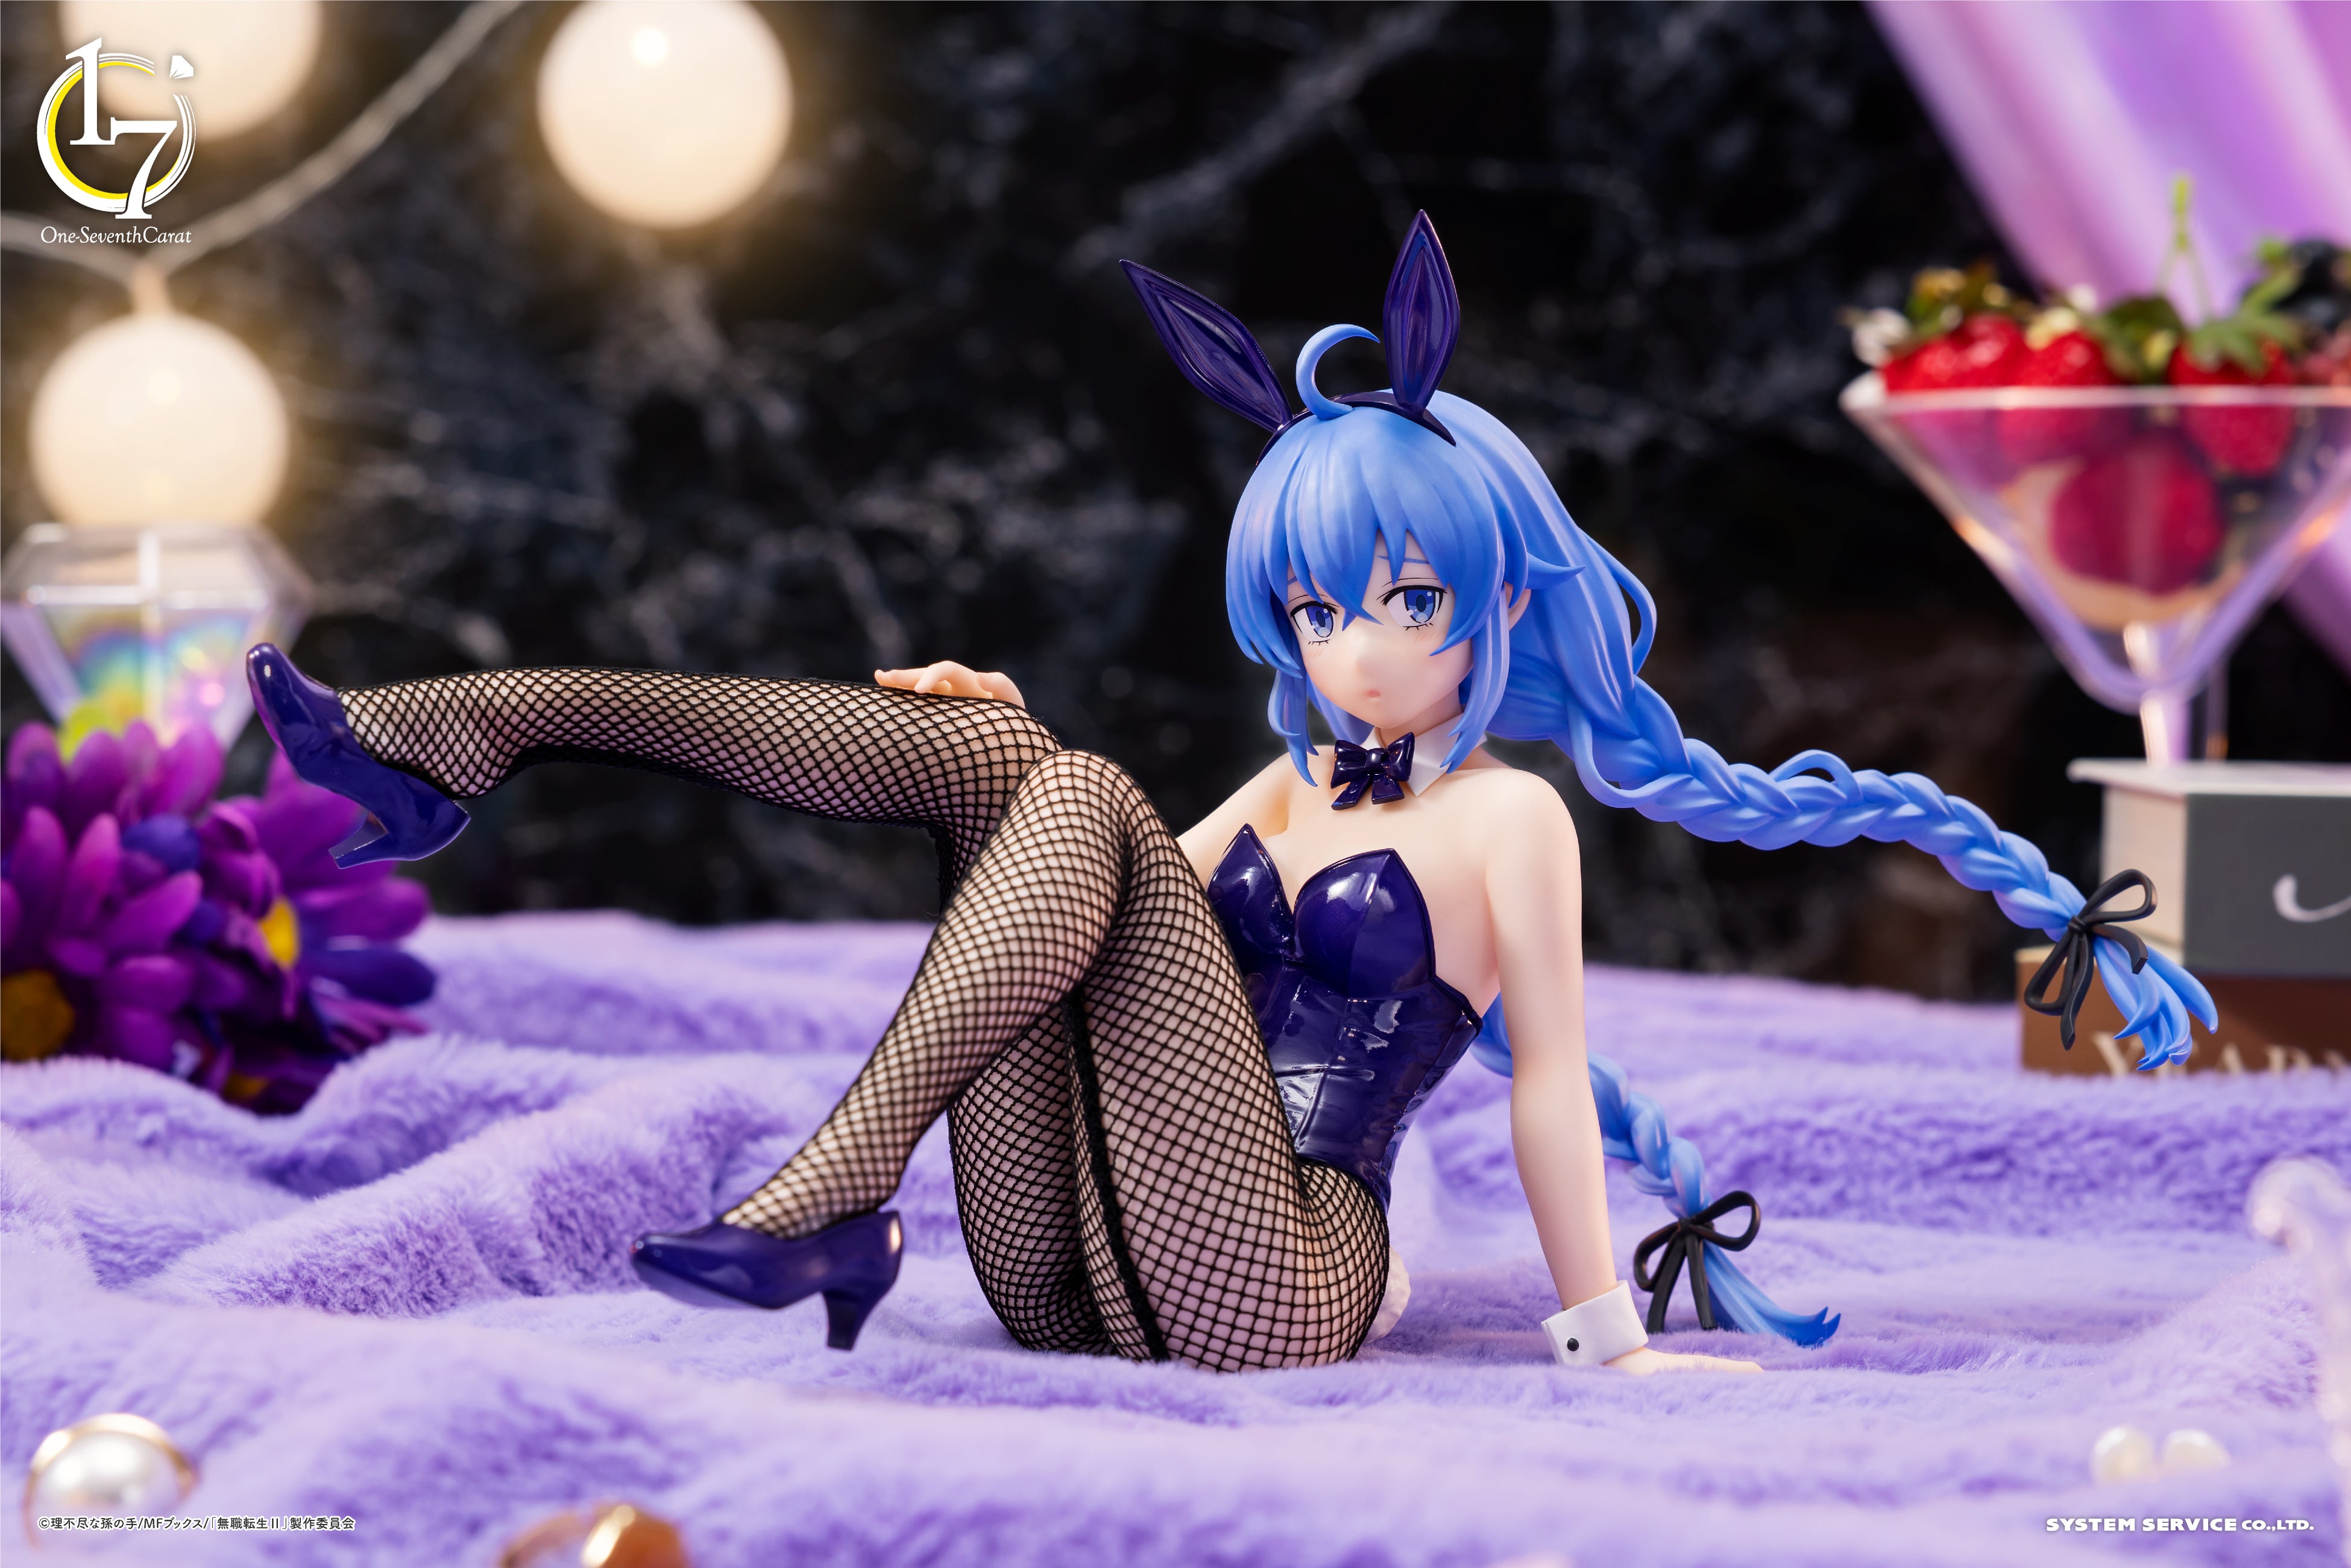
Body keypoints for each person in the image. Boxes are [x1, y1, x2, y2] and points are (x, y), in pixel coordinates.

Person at [241, 214, 2207, 1376]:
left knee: (1068, 783)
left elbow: (1542, 1083)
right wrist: (1004, 759)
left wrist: (1604, 1334)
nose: (1358, 649)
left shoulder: (1506, 822)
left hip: (1286, 1275)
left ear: (1491, 600)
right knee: (1016, 767)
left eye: (1405, 601)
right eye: (1320, 609)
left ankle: (828, 1187)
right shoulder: (1286, 776)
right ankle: (453, 734)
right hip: (1072, 1268)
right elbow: (1082, 917)